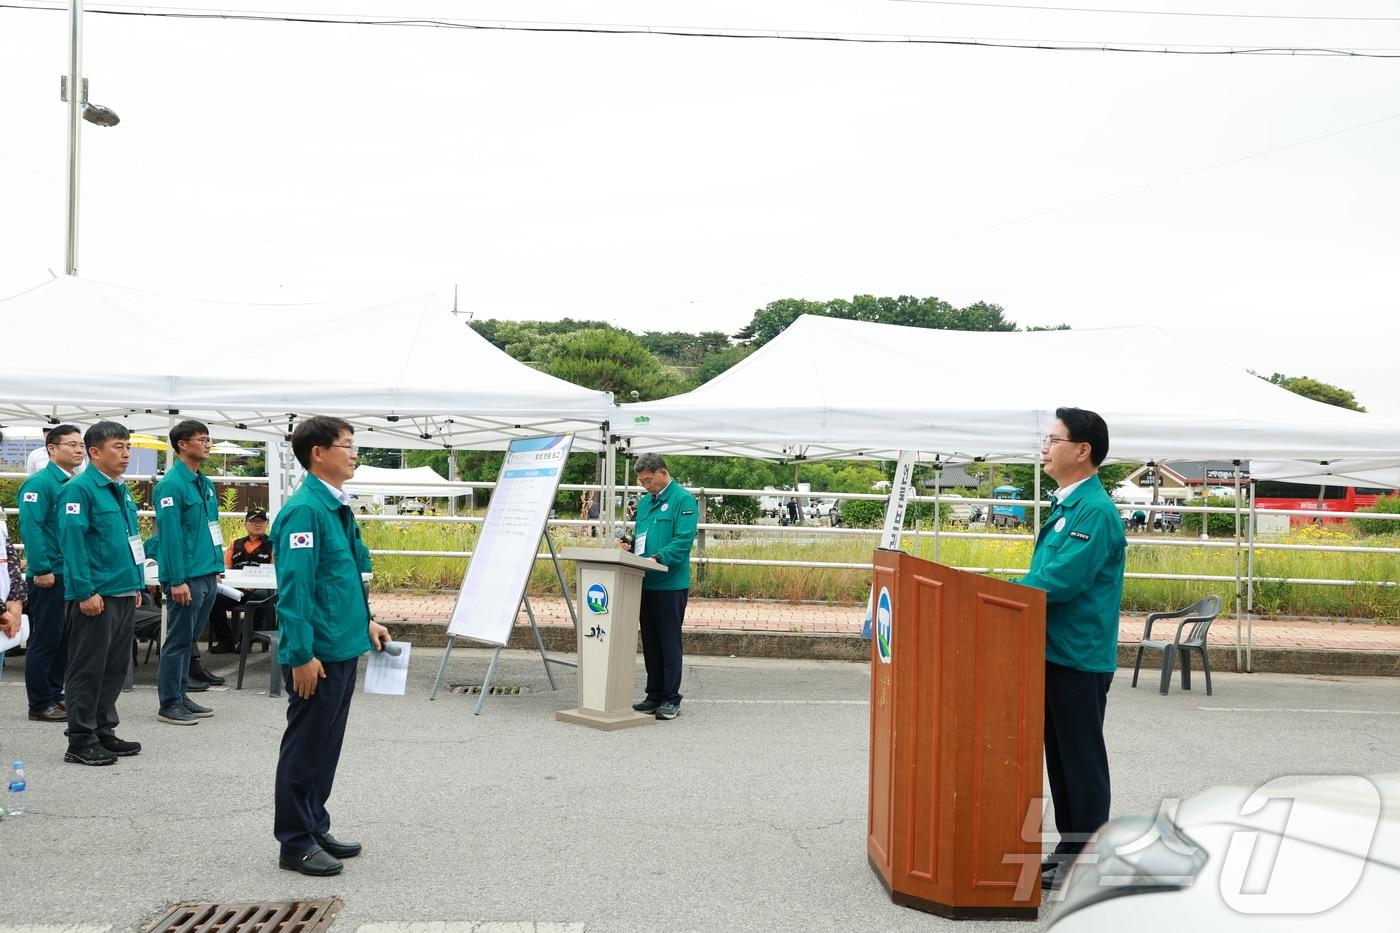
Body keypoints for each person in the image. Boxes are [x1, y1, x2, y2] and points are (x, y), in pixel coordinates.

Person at [272, 416, 391, 877]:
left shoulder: (334, 505)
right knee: (305, 749)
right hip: (316, 655)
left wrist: (367, 621)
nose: (355, 453)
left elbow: (340, 580)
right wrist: (300, 654)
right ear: (318, 453)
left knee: (325, 746)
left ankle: (314, 824)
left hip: (342, 646)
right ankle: (295, 842)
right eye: (347, 445)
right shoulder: (306, 511)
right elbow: (295, 591)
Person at [1017, 408, 1126, 891]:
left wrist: (1004, 592)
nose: (1043, 447)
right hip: (1054, 650)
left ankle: (1086, 855)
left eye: (1052, 439)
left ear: (1082, 450)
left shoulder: (1095, 511)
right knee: (1060, 758)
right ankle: (1070, 849)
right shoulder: (1069, 506)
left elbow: (1060, 580)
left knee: (1080, 757)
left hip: (1078, 656)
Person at [57, 421, 145, 766]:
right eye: (118, 447)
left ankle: (103, 729)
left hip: (122, 589)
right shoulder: (79, 490)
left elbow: (128, 540)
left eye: (127, 446)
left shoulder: (118, 488)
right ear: (94, 453)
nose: (126, 453)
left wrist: (136, 584)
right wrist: (84, 590)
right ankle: (80, 738)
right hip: (97, 594)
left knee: (113, 667)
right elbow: (73, 544)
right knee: (87, 668)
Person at [151, 421, 224, 726]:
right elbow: (169, 536)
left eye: (209, 439)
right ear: (182, 444)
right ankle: (169, 702)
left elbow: (211, 528)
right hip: (187, 576)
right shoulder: (171, 485)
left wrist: (217, 565)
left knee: (190, 639)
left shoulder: (202, 482)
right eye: (202, 439)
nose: (208, 444)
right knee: (178, 640)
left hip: (206, 573)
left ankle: (181, 695)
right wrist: (176, 579)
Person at [620, 453, 698, 721]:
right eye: (642, 482)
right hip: (645, 580)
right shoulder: (645, 504)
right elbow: (643, 538)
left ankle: (671, 698)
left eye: (649, 481)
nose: (646, 486)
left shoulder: (683, 500)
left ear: (663, 473)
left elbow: (683, 541)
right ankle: (653, 694)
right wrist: (629, 545)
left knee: (668, 642)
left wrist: (658, 558)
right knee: (651, 641)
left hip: (670, 583)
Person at [17, 424, 84, 723]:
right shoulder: (39, 484)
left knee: (65, 639)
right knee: (46, 639)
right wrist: (41, 568)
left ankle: (55, 695)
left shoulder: (72, 483)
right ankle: (40, 701)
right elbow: (31, 528)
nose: (78, 449)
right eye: (71, 444)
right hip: (50, 573)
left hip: (69, 572)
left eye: (81, 444)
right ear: (51, 449)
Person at [207, 508, 275, 653]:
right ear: (246, 524)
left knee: (260, 597)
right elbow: (225, 569)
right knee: (213, 597)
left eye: (261, 521)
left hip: (260, 589)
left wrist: (254, 585)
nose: (258, 524)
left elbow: (274, 570)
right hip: (237, 590)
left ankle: (246, 640)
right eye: (254, 521)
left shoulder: (273, 545)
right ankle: (225, 641)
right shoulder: (235, 544)